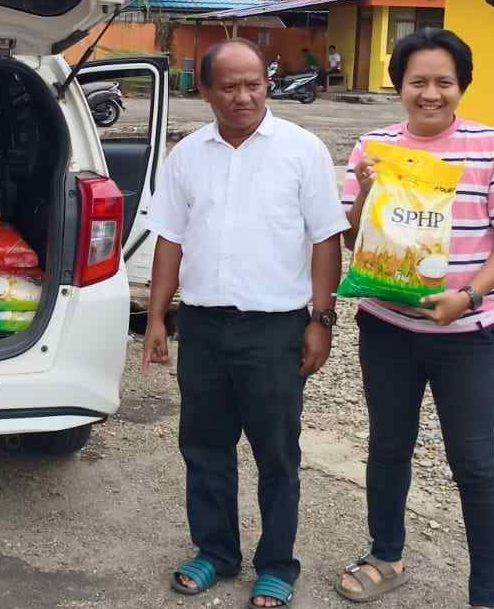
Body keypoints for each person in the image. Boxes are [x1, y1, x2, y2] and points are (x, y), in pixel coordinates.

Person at [333, 30, 494, 609]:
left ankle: (488, 595)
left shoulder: (493, 147)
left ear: (461, 86)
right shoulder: (373, 147)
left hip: (466, 336)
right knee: (388, 447)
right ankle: (386, 555)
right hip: (385, 328)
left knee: (474, 465)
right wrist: (364, 192)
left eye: (443, 82)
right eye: (417, 81)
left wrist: (468, 298)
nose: (430, 94)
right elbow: (352, 238)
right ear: (398, 86)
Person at [143, 39, 349, 609]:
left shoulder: (302, 150)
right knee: (204, 446)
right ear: (206, 90)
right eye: (229, 87)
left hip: (275, 330)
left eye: (254, 84)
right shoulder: (187, 156)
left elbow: (326, 240)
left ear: (267, 84)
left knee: (276, 452)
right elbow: (170, 240)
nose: (243, 97)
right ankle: (216, 552)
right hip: (203, 328)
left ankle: (277, 565)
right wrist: (157, 316)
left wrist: (322, 319)